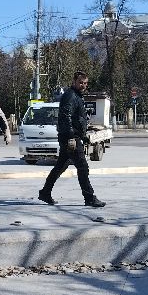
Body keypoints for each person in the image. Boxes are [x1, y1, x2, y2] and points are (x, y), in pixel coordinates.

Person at [38, 71, 106, 208]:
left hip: (72, 136)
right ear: (74, 82)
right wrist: (71, 137)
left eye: (85, 83)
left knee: (60, 166)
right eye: (80, 82)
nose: (83, 85)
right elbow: (65, 116)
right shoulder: (70, 96)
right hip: (70, 137)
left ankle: (45, 192)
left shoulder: (77, 96)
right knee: (83, 167)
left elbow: (76, 118)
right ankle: (89, 197)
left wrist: (83, 134)